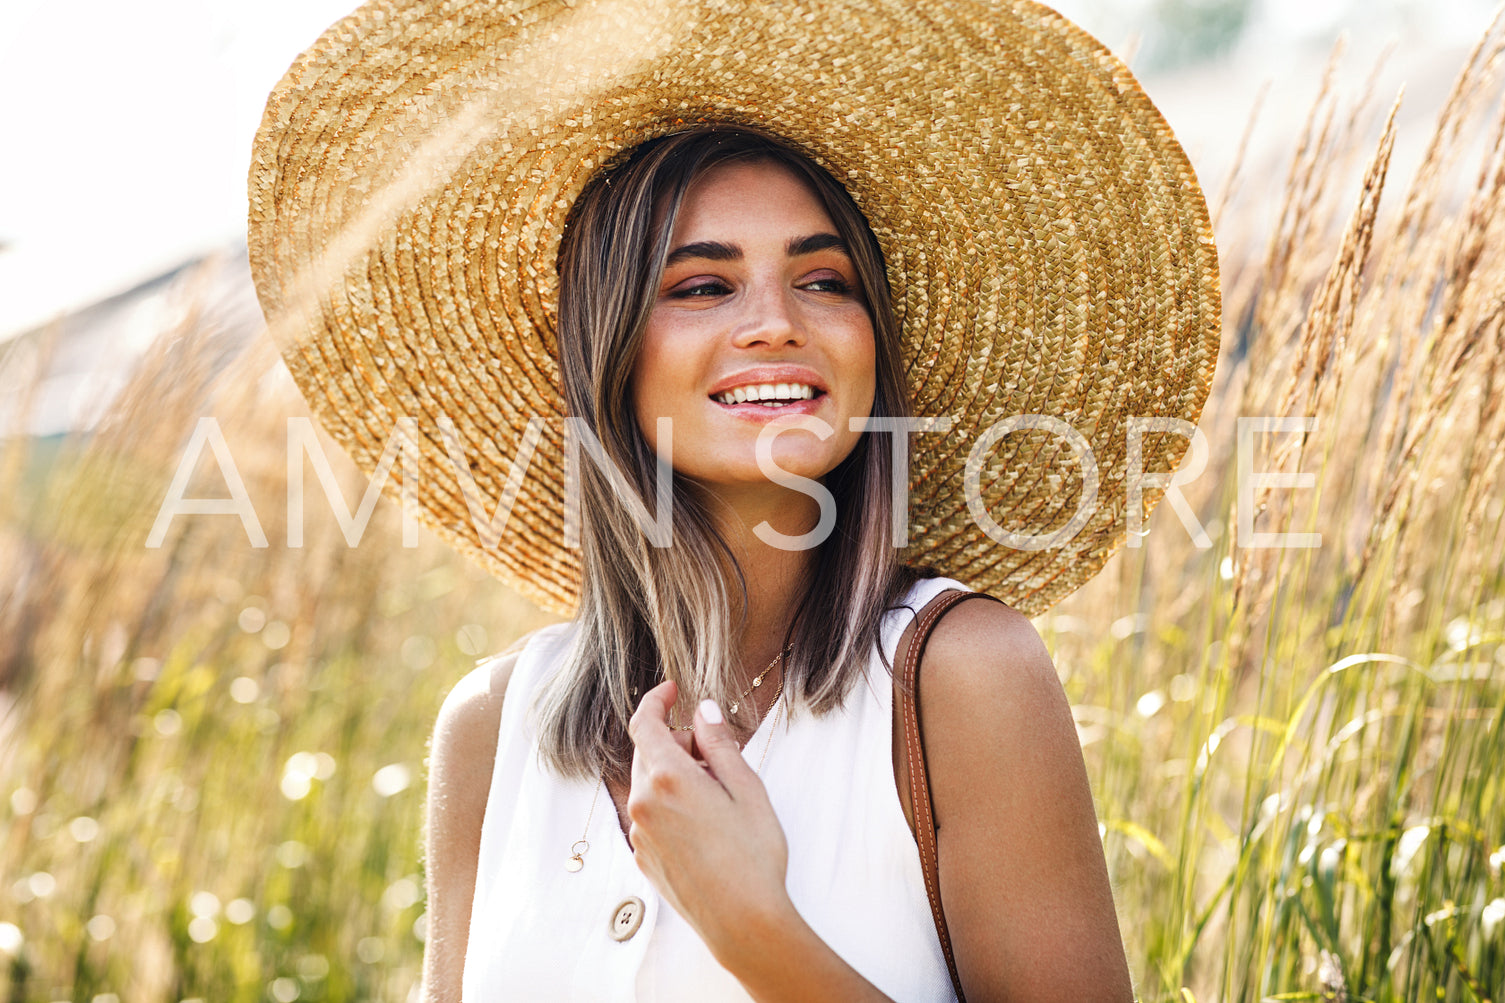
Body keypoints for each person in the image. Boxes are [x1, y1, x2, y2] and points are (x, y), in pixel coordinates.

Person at [247, 2, 1221, 999]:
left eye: (824, 279)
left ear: (870, 344)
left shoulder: (959, 682)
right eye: (702, 287)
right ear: (608, 353)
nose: (774, 324)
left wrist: (754, 930)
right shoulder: (492, 728)